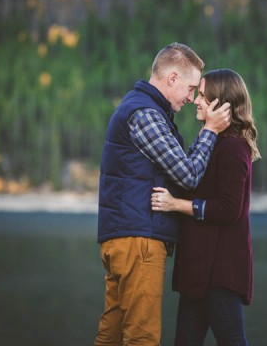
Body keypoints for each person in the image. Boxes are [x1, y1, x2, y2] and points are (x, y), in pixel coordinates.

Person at [95, 43, 231, 346]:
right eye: (192, 87)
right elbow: (188, 175)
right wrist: (210, 131)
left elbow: (179, 167)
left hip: (123, 237)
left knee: (112, 336)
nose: (192, 97)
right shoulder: (146, 115)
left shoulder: (143, 109)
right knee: (142, 337)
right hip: (138, 240)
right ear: (172, 78)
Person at [151, 68, 260, 346]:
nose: (196, 101)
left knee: (233, 341)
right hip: (198, 271)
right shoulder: (212, 142)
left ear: (221, 104)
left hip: (219, 272)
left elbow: (228, 209)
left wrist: (176, 205)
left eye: (202, 95)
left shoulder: (234, 148)